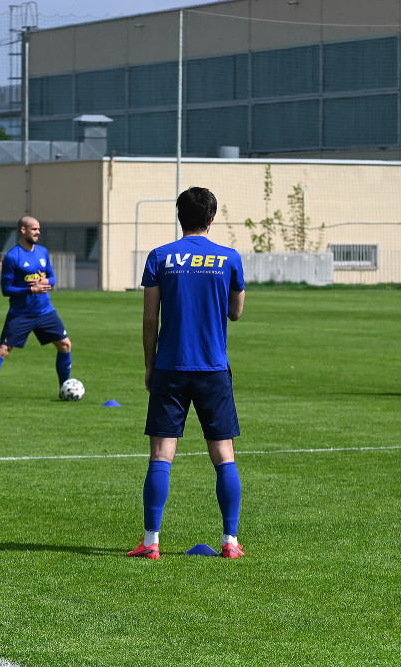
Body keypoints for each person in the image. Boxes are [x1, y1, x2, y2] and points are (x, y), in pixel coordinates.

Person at [127, 187, 246, 560]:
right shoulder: (229, 258)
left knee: (162, 455)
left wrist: (149, 364)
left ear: (179, 217)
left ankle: (151, 542)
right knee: (223, 454)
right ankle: (230, 541)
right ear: (211, 219)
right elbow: (236, 312)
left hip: (170, 368)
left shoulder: (160, 257)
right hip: (213, 368)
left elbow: (150, 318)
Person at [0, 216, 73, 402]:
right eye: (34, 229)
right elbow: (6, 290)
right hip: (21, 314)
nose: (38, 232)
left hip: (45, 311)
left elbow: (52, 278)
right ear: (23, 230)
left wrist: (45, 281)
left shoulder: (42, 252)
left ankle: (65, 388)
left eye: (39, 229)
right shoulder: (12, 257)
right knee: (3, 349)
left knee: (65, 345)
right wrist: (30, 289)